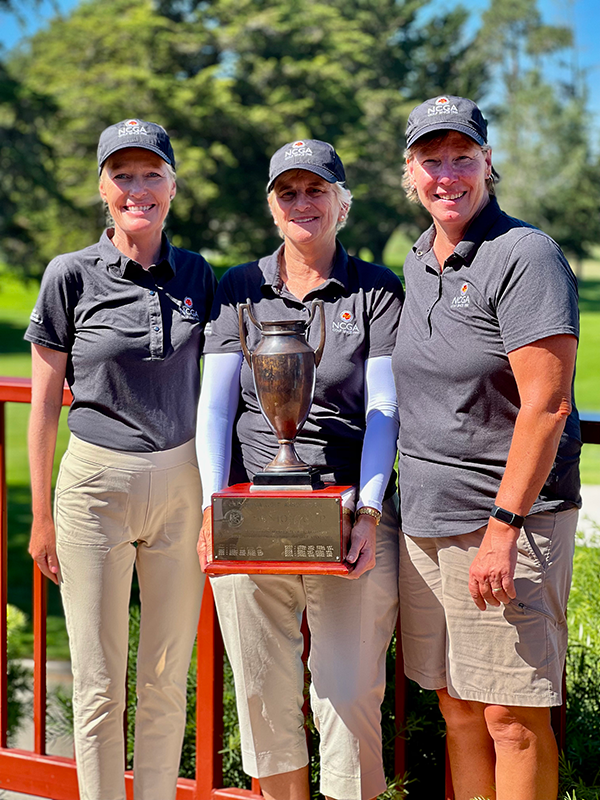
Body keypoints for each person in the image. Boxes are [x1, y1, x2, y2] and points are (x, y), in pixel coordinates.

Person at [196, 139, 403, 800]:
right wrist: (211, 508)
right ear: (271, 205)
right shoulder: (239, 288)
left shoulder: (375, 289)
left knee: (348, 693)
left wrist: (370, 508)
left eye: (317, 190)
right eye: (288, 191)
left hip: (348, 519)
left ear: (341, 203)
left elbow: (385, 410)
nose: (303, 203)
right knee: (262, 696)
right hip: (252, 519)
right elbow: (215, 406)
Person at [392, 95, 581, 800]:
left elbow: (548, 404)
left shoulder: (523, 255)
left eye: (461, 158)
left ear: (487, 162)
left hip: (505, 522)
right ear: (409, 171)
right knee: (459, 706)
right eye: (430, 160)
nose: (447, 175)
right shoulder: (419, 259)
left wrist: (504, 530)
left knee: (512, 716)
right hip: (428, 522)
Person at [25, 118, 216, 800]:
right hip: (95, 487)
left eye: (151, 174)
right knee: (100, 683)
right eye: (122, 175)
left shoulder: (198, 274)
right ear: (102, 187)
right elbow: (45, 405)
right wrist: (41, 516)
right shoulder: (69, 275)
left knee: (167, 677)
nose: (138, 189)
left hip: (181, 485)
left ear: (172, 183)